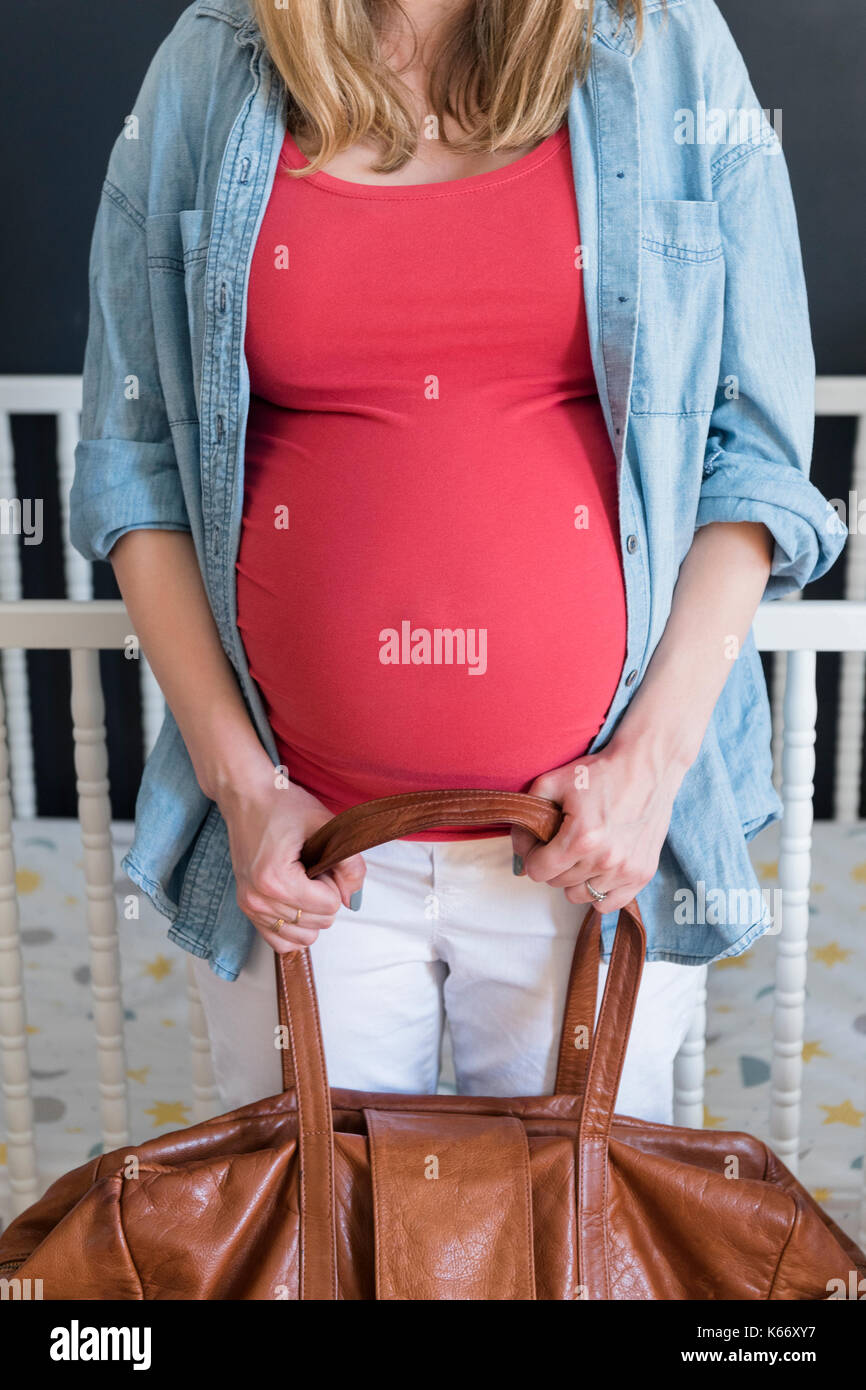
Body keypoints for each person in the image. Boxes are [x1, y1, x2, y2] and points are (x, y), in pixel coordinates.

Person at [70, 0, 844, 1121]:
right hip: (310, 860)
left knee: (569, 1265)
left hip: (586, 848)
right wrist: (244, 790)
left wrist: (647, 771)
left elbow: (758, 464)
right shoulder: (213, 64)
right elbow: (131, 469)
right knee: (316, 1261)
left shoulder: (665, 43)